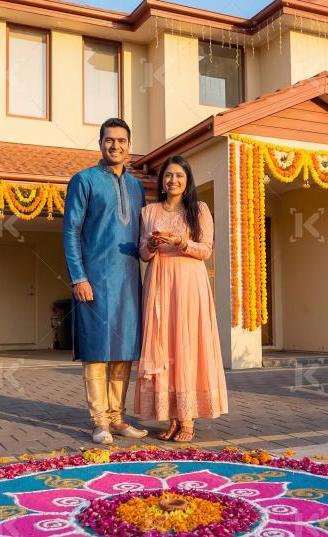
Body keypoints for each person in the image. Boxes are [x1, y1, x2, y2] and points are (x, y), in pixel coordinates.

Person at [63, 118, 148, 445]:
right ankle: (99, 421)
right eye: (109, 140)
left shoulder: (137, 186)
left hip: (128, 281)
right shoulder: (83, 181)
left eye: (122, 141)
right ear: (100, 143)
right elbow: (71, 231)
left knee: (124, 350)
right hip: (94, 281)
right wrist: (78, 277)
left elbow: (141, 233)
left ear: (129, 145)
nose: (115, 146)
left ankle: (118, 416)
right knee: (98, 350)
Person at [135, 155, 228, 442]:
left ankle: (188, 419)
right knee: (164, 343)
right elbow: (142, 253)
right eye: (168, 175)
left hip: (189, 285)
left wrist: (181, 242)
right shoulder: (148, 212)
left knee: (187, 344)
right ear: (162, 180)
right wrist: (151, 244)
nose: (172, 180)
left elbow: (206, 250)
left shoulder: (198, 209)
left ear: (187, 181)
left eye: (179, 176)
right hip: (160, 282)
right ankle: (173, 418)